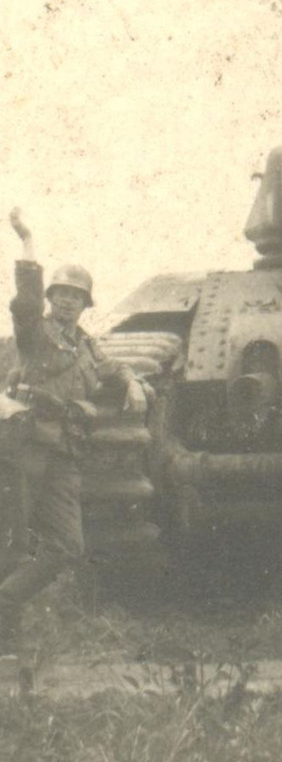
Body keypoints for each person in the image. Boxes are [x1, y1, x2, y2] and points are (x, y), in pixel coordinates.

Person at [0, 208, 149, 653]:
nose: (66, 301)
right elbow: (24, 301)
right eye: (60, 294)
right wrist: (27, 241)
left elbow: (112, 365)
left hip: (63, 452)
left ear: (86, 305)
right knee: (14, 537)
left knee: (67, 544)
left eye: (75, 296)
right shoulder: (35, 334)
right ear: (50, 298)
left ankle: (5, 600)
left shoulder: (85, 345)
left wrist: (132, 380)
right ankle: (6, 637)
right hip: (23, 443)